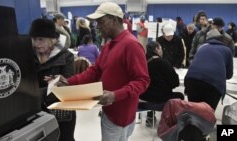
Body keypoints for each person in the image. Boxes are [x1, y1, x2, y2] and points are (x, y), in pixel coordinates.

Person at [51, 2, 150, 141]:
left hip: (120, 115)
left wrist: (115, 95)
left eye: (101, 22)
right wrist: (69, 81)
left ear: (115, 20)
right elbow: (95, 71)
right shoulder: (109, 45)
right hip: (110, 111)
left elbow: (142, 81)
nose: (97, 27)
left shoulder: (131, 45)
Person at [29, 18, 76, 141]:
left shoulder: (66, 56)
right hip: (37, 112)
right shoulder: (27, 56)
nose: (36, 43)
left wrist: (36, 94)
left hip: (62, 111)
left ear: (51, 39)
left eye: (41, 39)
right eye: (34, 39)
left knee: (65, 138)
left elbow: (66, 85)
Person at [184, 28, 233, 110]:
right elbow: (229, 75)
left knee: (193, 112)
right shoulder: (227, 50)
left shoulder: (202, 47)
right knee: (207, 114)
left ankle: (191, 122)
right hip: (213, 84)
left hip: (191, 80)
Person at [140, 41, 184, 127]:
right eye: (160, 48)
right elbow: (175, 82)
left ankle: (150, 118)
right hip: (160, 101)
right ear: (156, 49)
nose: (162, 50)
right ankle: (171, 121)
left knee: (150, 91)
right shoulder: (164, 63)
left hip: (142, 100)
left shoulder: (141, 63)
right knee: (180, 96)